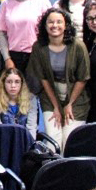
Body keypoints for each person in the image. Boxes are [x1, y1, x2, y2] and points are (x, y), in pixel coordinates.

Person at [27, 8, 90, 149]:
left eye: (59, 22)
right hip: (51, 96)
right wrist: (56, 106)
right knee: (53, 141)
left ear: (66, 25)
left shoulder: (78, 46)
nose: (54, 25)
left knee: (69, 139)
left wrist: (69, 104)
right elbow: (43, 78)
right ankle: (53, 169)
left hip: (76, 97)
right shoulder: (39, 47)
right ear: (44, 25)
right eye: (50, 22)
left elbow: (82, 78)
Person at [0, 0, 52, 72]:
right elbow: (1, 33)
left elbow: (51, 29)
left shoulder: (42, 1)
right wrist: (7, 58)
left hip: (38, 54)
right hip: (13, 56)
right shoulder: (6, 4)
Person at [0, 67, 38, 139]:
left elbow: (31, 127)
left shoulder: (31, 99)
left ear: (22, 83)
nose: (13, 86)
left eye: (17, 82)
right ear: (3, 83)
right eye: (9, 82)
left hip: (24, 140)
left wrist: (29, 146)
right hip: (4, 140)